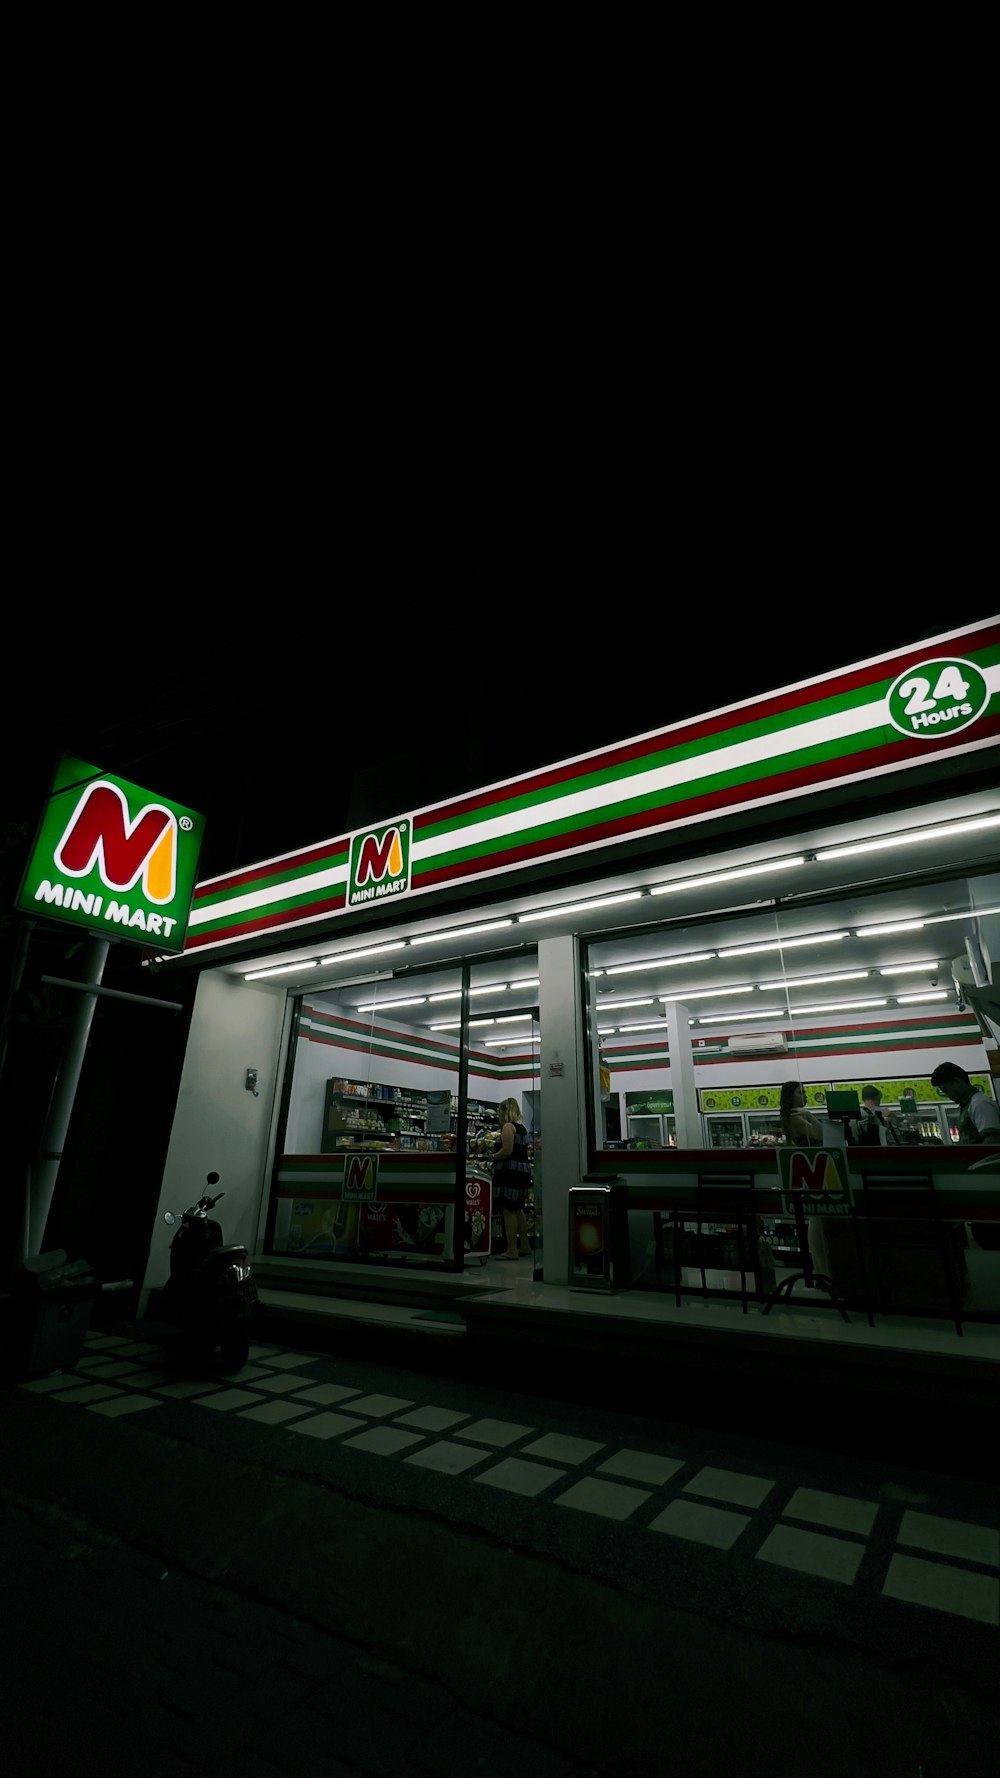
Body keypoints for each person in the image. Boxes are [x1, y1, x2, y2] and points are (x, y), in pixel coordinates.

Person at [930, 1061, 1000, 1250]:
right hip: (983, 1186)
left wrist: (976, 1175)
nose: (947, 1094)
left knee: (991, 1237)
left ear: (958, 1082)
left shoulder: (980, 1104)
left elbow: (992, 1143)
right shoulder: (969, 1105)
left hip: (989, 1187)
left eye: (946, 1089)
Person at [491, 1096, 532, 1260]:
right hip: (523, 1169)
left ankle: (511, 1249)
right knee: (518, 1208)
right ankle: (525, 1245)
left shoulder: (508, 1127)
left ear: (504, 1111)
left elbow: (507, 1150)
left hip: (510, 1171)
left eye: (499, 1112)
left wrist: (492, 1157)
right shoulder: (522, 1128)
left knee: (508, 1209)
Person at [778, 1080, 822, 1145]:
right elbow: (821, 1135)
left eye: (804, 1093)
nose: (805, 1096)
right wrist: (808, 1114)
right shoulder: (795, 1118)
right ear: (791, 1096)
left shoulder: (791, 1115)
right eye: (800, 1093)